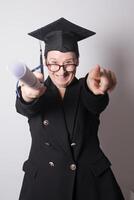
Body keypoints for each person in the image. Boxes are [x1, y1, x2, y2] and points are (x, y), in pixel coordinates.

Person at [16, 18, 125, 200]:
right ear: (44, 61)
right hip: (44, 182)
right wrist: (27, 95)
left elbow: (95, 102)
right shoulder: (36, 88)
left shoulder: (87, 87)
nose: (61, 70)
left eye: (69, 62)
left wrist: (97, 90)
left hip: (89, 183)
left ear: (78, 61)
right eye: (53, 62)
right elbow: (25, 106)